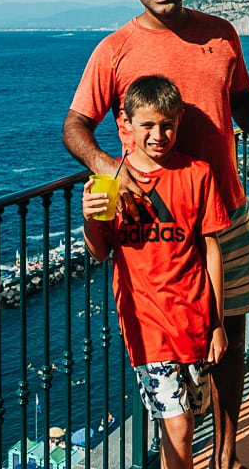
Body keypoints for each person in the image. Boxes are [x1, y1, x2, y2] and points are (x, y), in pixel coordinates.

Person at [64, 0, 249, 469]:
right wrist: (109, 171)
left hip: (223, 210)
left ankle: (226, 456)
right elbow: (75, 126)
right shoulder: (115, 49)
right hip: (153, 224)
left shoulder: (222, 33)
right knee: (167, 347)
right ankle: (180, 453)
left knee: (228, 339)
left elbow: (240, 99)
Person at [81, 75, 230, 469]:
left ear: (179, 120)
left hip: (193, 320)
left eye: (167, 125)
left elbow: (210, 249)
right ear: (125, 124)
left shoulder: (198, 174)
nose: (159, 135)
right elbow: (98, 252)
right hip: (146, 326)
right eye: (147, 125)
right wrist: (90, 219)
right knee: (179, 426)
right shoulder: (110, 182)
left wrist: (216, 323)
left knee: (182, 426)